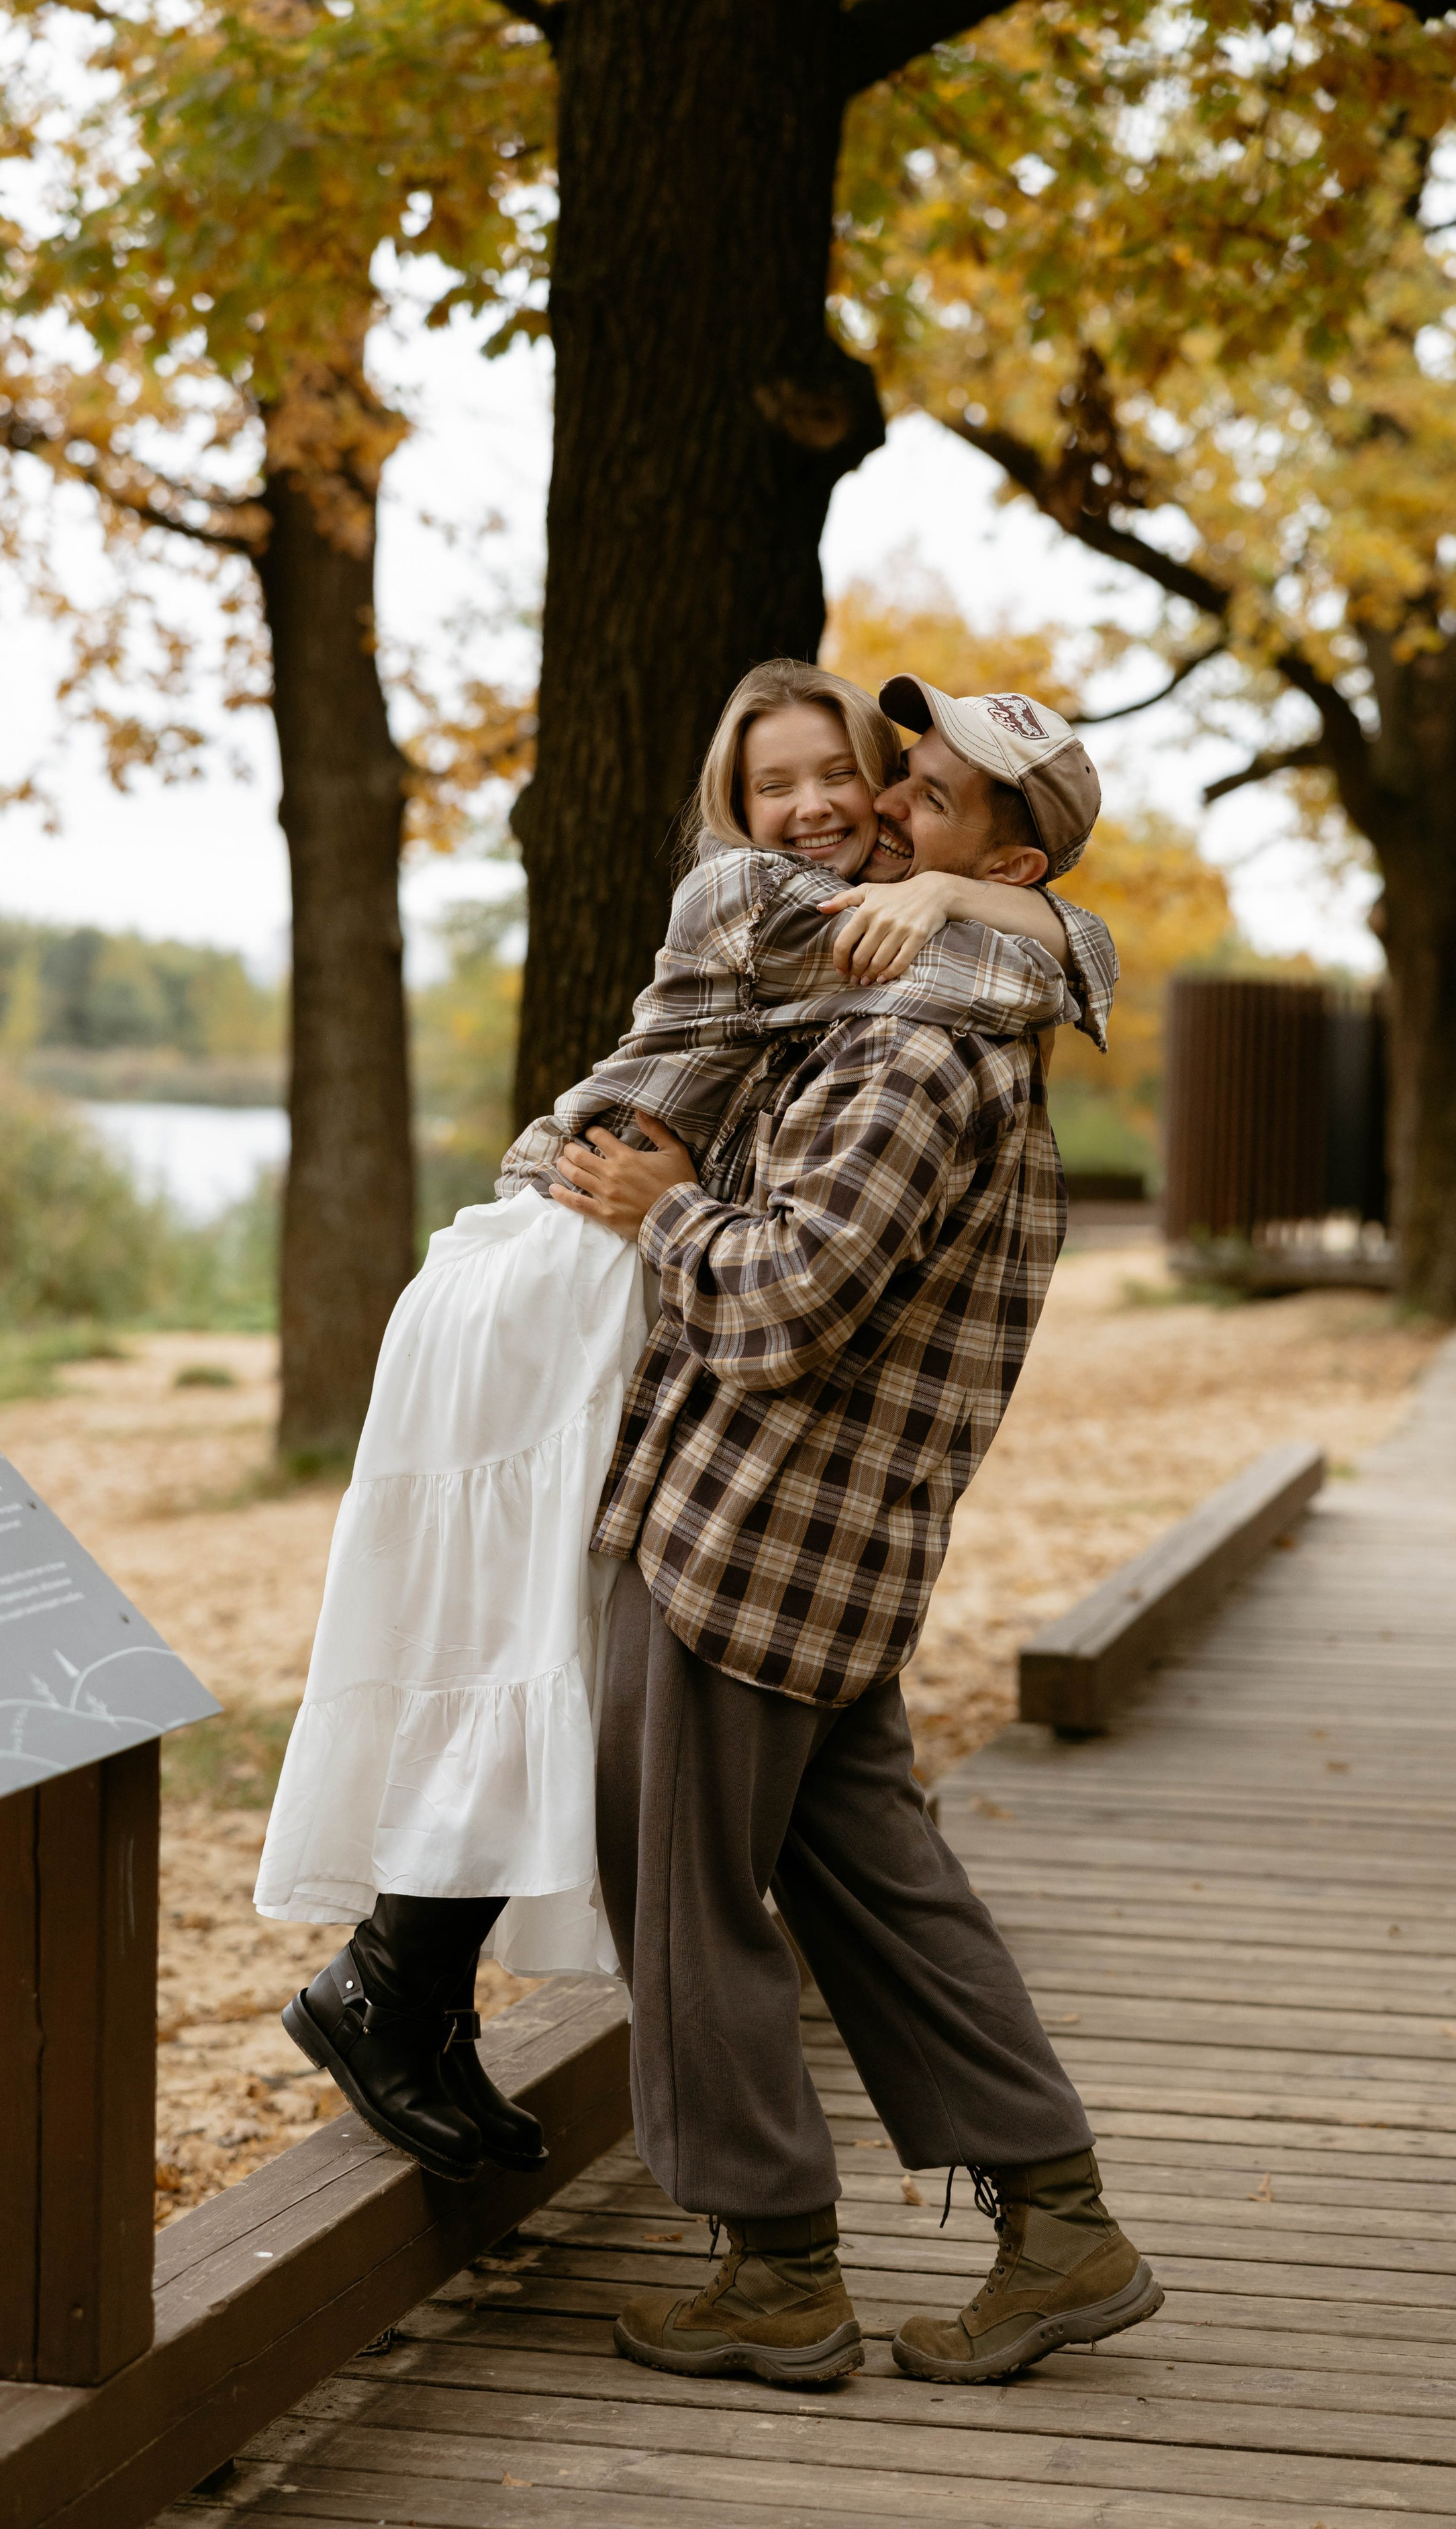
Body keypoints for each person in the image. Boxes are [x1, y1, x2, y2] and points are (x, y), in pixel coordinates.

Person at [258, 661, 1115, 2193]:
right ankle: (389, 1989)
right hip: (562, 1271)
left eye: (859, 776)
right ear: (728, 812)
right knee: (533, 1654)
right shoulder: (751, 902)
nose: (828, 805)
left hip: (638, 1276)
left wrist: (976, 905)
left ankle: (404, 1990)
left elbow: (1059, 965)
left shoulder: (906, 931)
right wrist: (987, 910)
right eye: (772, 784)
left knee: (555, 1658)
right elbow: (1050, 975)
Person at [551, 675, 1161, 2390]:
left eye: (931, 803)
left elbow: (783, 1306)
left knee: (683, 1892)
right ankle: (1061, 2227)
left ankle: (771, 2271)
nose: (886, 813)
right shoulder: (916, 1003)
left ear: (1015, 862)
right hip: (827, 1549)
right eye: (891, 780)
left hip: (751, 1540)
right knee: (877, 1881)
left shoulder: (914, 1050)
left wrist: (662, 1207)